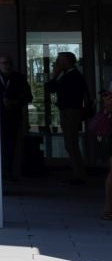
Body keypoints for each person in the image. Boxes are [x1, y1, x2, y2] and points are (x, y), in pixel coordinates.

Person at [53, 52, 89, 184]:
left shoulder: (72, 76)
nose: (56, 62)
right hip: (71, 111)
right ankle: (78, 173)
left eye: (59, 60)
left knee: (71, 144)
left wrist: (55, 75)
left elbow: (51, 88)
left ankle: (79, 175)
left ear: (66, 61)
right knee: (71, 144)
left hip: (70, 112)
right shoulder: (72, 75)